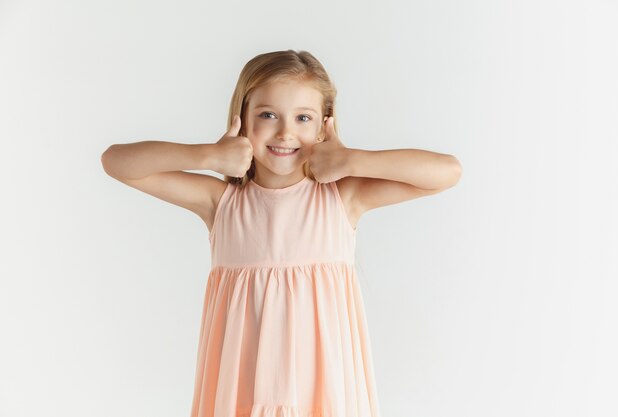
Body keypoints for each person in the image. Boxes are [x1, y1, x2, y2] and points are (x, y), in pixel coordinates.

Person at [101, 49, 462, 417]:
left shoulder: (343, 197)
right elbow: (116, 162)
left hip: (321, 390)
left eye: (303, 118)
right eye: (267, 115)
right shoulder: (220, 202)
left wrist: (353, 160)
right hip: (242, 388)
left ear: (324, 126)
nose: (285, 132)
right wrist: (208, 156)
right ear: (241, 119)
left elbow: (447, 172)